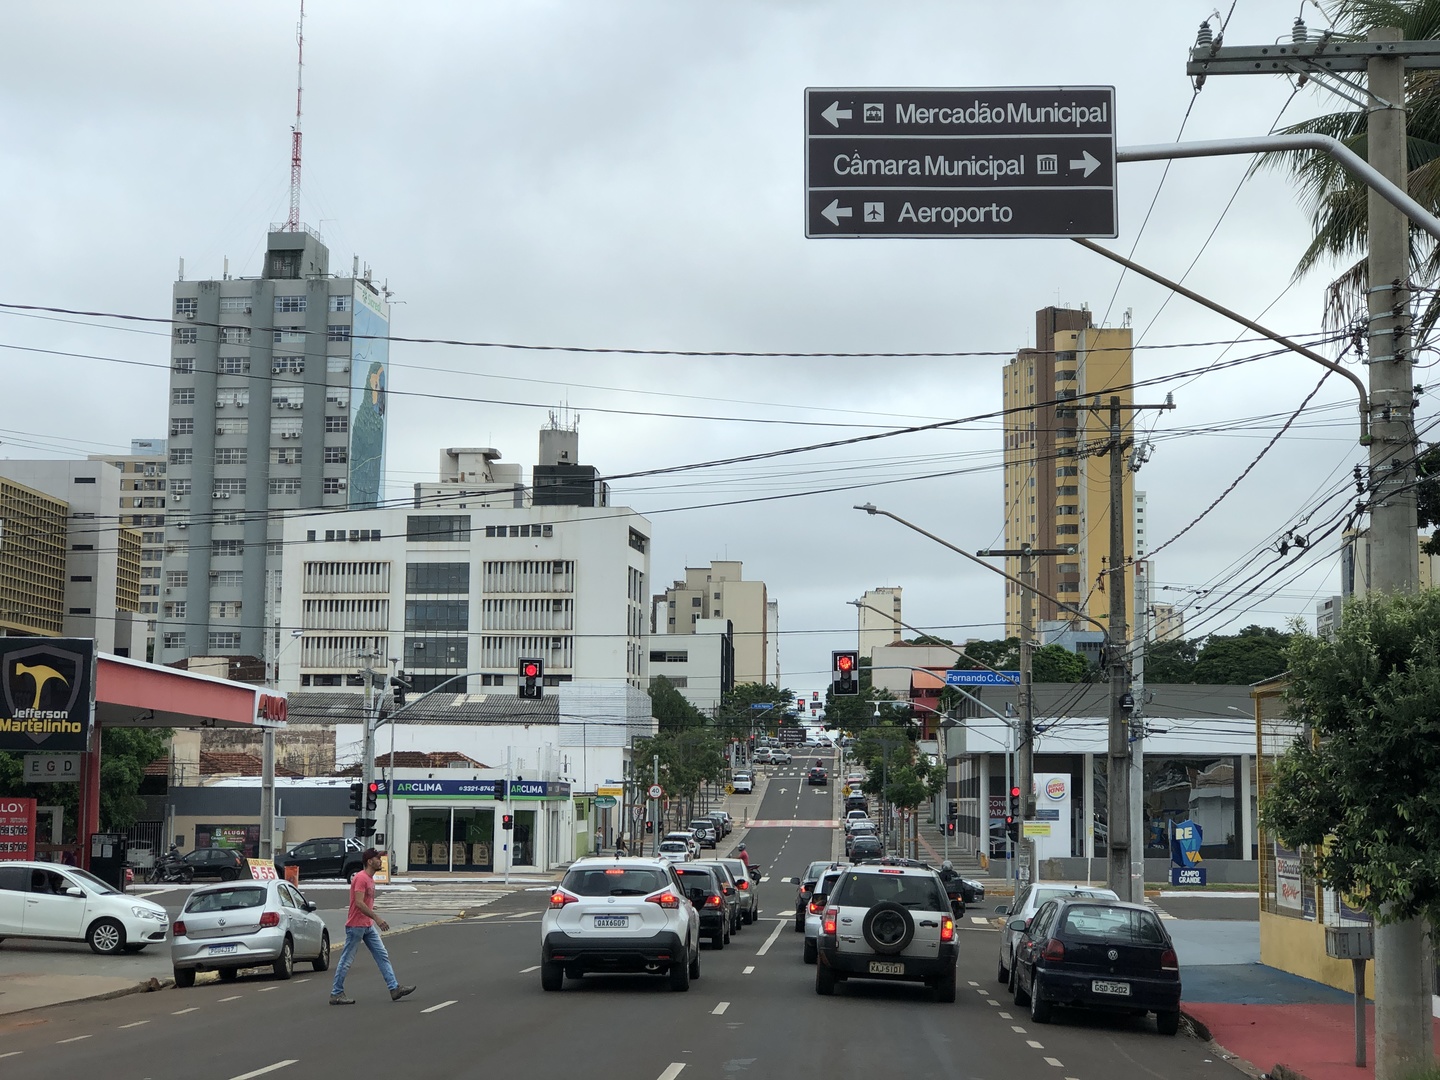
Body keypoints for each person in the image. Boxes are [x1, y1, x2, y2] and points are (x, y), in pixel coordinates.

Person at [330, 849, 415, 1005]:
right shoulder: (361, 878)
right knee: (346, 960)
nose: (381, 861)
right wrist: (376, 918)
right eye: (378, 858)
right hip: (356, 925)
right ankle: (336, 993)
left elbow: (365, 904)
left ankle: (394, 988)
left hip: (367, 926)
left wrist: (372, 917)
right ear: (369, 861)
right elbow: (359, 903)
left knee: (382, 955)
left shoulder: (370, 879)